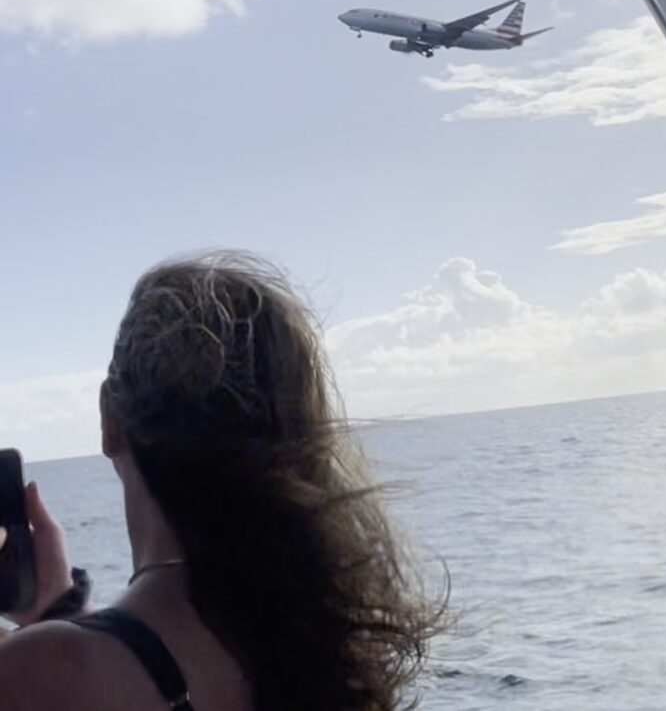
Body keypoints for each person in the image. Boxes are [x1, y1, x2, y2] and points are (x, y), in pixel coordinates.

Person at [0, 252, 441, 710]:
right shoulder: (331, 651)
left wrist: (47, 639)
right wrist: (58, 614)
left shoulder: (38, 674)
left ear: (110, 420)